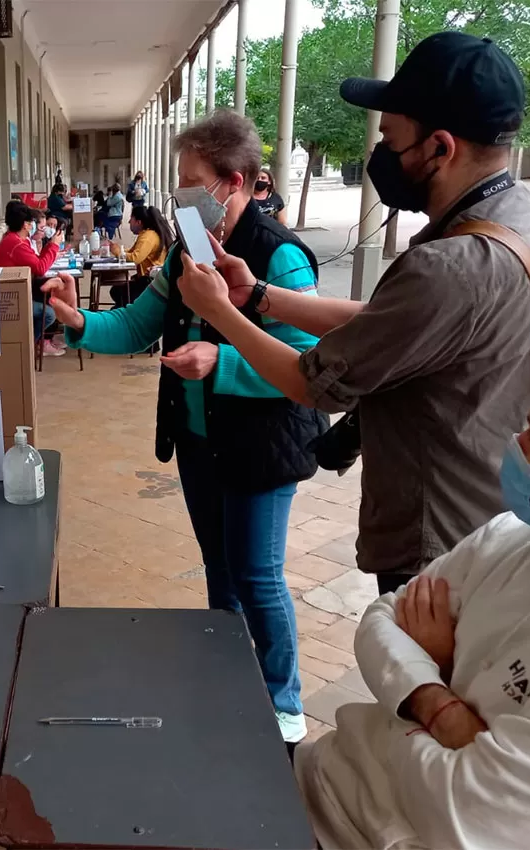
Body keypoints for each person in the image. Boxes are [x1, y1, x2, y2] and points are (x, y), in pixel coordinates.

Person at [175, 32, 530, 595]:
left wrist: (220, 313)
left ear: (440, 147)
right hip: (503, 517)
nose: (378, 155)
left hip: (446, 545)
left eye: (389, 138)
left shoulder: (453, 264)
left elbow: (312, 384)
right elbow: (391, 320)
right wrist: (260, 296)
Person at [42, 110, 327, 743]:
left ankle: (283, 701)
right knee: (220, 570)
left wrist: (219, 359)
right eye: (179, 183)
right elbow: (136, 326)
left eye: (193, 183)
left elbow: (309, 368)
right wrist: (77, 320)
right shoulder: (182, 254)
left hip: (260, 448)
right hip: (200, 444)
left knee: (258, 574)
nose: (181, 197)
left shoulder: (280, 260)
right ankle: (225, 675)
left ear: (237, 182)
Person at [296, 354, 530, 850]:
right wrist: (445, 707)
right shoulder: (511, 537)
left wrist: (413, 688)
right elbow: (381, 619)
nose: (514, 446)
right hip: (313, 781)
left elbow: (463, 814)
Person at [0, 199, 71, 357]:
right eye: (32, 223)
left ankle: (43, 339)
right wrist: (55, 245)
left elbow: (37, 262)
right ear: (26, 224)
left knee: (52, 292)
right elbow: (41, 267)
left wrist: (50, 245)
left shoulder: (15, 240)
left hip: (17, 291)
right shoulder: (16, 245)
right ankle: (29, 345)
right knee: (48, 313)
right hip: (9, 299)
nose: (34, 226)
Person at [111, 204, 173, 307]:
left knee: (118, 292)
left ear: (139, 222)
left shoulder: (148, 237)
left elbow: (135, 258)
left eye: (131, 219)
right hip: (148, 278)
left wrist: (118, 252)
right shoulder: (145, 235)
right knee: (117, 291)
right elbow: (132, 251)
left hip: (150, 281)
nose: (129, 221)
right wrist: (118, 250)